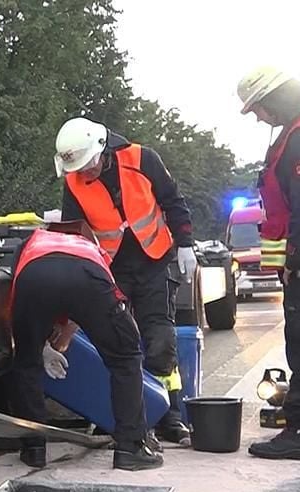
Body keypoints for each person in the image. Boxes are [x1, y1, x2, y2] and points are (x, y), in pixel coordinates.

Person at [54, 117, 196, 448]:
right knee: (114, 341)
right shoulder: (74, 182)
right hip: (111, 267)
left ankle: (168, 415)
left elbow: (173, 201)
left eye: (87, 165)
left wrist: (186, 243)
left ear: (102, 150)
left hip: (154, 261)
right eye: (77, 168)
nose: (84, 173)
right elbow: (74, 232)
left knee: (160, 339)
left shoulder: (143, 159)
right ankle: (122, 415)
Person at [9, 224, 163, 471]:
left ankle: (33, 448)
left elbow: (21, 298)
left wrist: (39, 346)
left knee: (26, 363)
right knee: (126, 357)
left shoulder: (30, 243)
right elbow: (85, 306)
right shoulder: (91, 248)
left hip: (34, 276)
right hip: (86, 277)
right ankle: (131, 448)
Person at [237, 67, 300, 459]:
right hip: (299, 260)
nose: (260, 118)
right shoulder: (295, 132)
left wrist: (297, 258)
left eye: (259, 110)